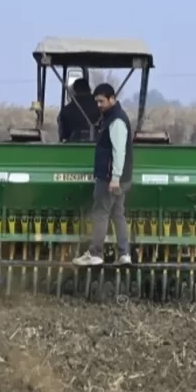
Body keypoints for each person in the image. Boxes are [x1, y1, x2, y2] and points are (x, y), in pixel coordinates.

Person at [72, 83, 133, 267]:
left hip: (109, 179)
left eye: (102, 101)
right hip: (118, 178)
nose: (98, 105)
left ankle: (95, 253)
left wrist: (114, 178)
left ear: (112, 99)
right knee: (117, 214)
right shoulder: (112, 117)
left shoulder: (116, 121)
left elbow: (119, 151)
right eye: (96, 101)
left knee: (100, 213)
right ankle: (124, 254)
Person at [57, 78, 100, 142]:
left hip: (72, 147)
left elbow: (63, 135)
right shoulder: (101, 107)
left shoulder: (66, 111)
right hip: (100, 145)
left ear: (74, 91)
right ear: (89, 90)